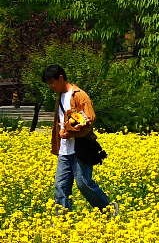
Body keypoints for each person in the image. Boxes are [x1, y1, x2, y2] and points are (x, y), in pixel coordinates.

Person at [42, 64, 118, 215]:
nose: (51, 86)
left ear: (61, 78)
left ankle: (108, 209)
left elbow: (89, 119)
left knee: (83, 183)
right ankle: (62, 221)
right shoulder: (59, 97)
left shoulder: (79, 95)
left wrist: (71, 133)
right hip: (64, 149)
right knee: (60, 185)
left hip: (80, 147)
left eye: (52, 82)